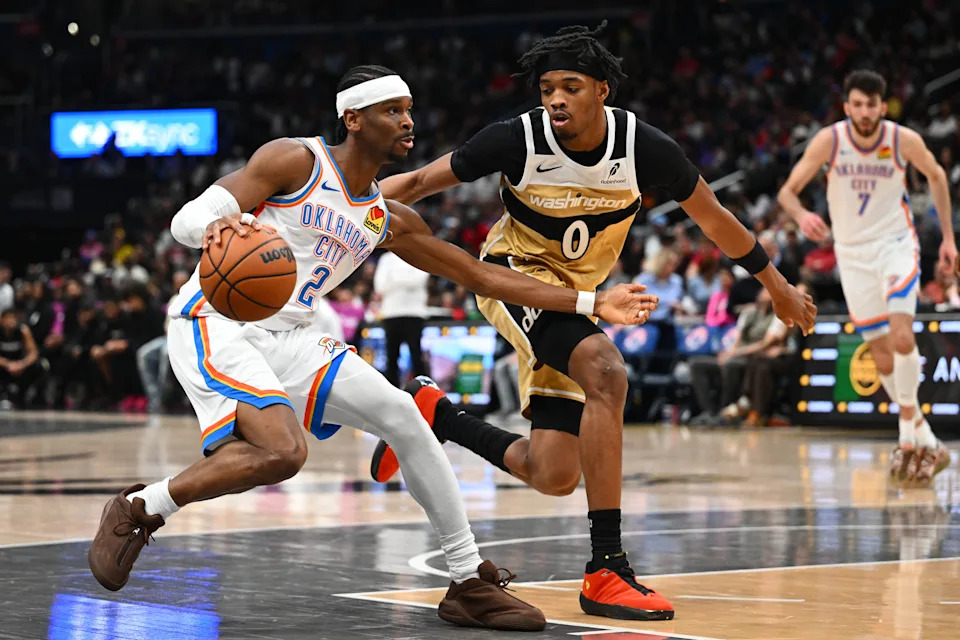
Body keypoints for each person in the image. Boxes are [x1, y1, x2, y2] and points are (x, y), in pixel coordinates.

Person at [87, 65, 659, 631]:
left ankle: (466, 582)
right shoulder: (297, 160)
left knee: (404, 417)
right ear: (353, 119)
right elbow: (191, 216)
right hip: (218, 322)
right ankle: (143, 507)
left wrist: (590, 301)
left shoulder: (385, 217)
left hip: (294, 335)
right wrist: (211, 228)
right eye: (394, 111)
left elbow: (481, 278)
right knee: (283, 454)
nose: (409, 121)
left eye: (410, 109)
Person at [368, 24, 816, 621]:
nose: (554, 98)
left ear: (601, 91)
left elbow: (713, 217)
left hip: (577, 295)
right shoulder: (516, 138)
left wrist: (778, 286)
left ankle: (435, 414)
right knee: (606, 368)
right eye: (547, 87)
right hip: (515, 277)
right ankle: (607, 567)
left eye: (569, 87)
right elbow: (420, 182)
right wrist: (337, 210)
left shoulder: (643, 147)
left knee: (551, 473)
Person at [778, 69, 955, 487]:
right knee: (880, 355)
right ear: (847, 106)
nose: (863, 112)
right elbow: (788, 191)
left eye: (870, 105)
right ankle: (928, 438)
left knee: (902, 337)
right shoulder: (830, 140)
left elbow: (938, 175)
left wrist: (948, 238)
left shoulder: (900, 139)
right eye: (856, 104)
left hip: (895, 245)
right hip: (852, 255)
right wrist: (802, 214)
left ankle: (907, 435)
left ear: (882, 105)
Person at [373, 251, 429, 386]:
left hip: (414, 313)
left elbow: (419, 279)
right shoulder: (386, 259)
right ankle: (393, 393)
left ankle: (425, 393)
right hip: (391, 313)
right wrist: (405, 279)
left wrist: (393, 280)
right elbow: (379, 286)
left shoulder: (419, 255)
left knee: (416, 356)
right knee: (391, 357)